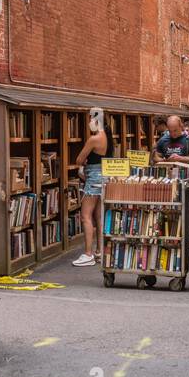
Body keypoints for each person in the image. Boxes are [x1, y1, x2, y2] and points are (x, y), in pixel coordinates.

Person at [72, 110, 116, 267]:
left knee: (85, 216)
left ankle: (88, 253)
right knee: (99, 216)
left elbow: (79, 159)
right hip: (105, 178)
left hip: (94, 179)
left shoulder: (94, 139)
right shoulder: (109, 137)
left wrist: (84, 162)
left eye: (90, 119)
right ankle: (100, 251)